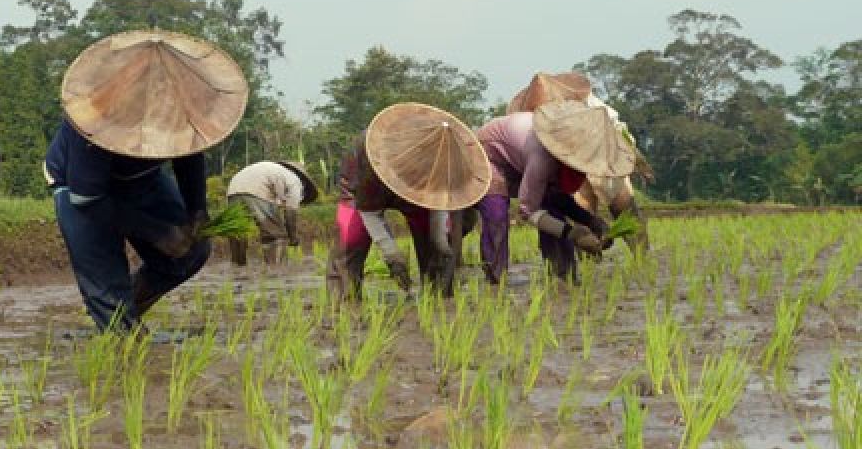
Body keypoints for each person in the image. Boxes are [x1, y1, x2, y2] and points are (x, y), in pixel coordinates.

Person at [45, 30, 248, 332]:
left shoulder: (183, 109)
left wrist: (197, 210)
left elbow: (190, 155)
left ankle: (129, 313)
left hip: (142, 179)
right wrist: (158, 232)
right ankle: (118, 327)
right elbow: (88, 201)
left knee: (193, 252)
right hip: (81, 193)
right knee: (107, 289)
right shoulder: (91, 123)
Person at [325, 102, 490, 300]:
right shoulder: (370, 152)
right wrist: (391, 254)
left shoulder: (445, 157)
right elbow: (369, 210)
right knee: (350, 239)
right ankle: (344, 301)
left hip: (421, 191)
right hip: (364, 184)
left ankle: (438, 298)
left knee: (436, 247)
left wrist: (440, 242)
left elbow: (439, 203)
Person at [469, 99, 635, 282]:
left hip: (520, 156)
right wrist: (572, 233)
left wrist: (593, 222)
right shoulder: (542, 159)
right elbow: (527, 211)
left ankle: (563, 276)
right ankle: (495, 280)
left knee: (554, 211)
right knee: (496, 212)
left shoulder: (571, 157)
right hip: (489, 154)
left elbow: (560, 199)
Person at [225, 160, 319, 266]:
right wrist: (292, 237)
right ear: (303, 181)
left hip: (233, 189)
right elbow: (290, 212)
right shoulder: (296, 182)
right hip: (257, 190)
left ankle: (237, 268)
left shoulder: (276, 171)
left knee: (238, 234)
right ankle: (276, 270)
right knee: (276, 235)